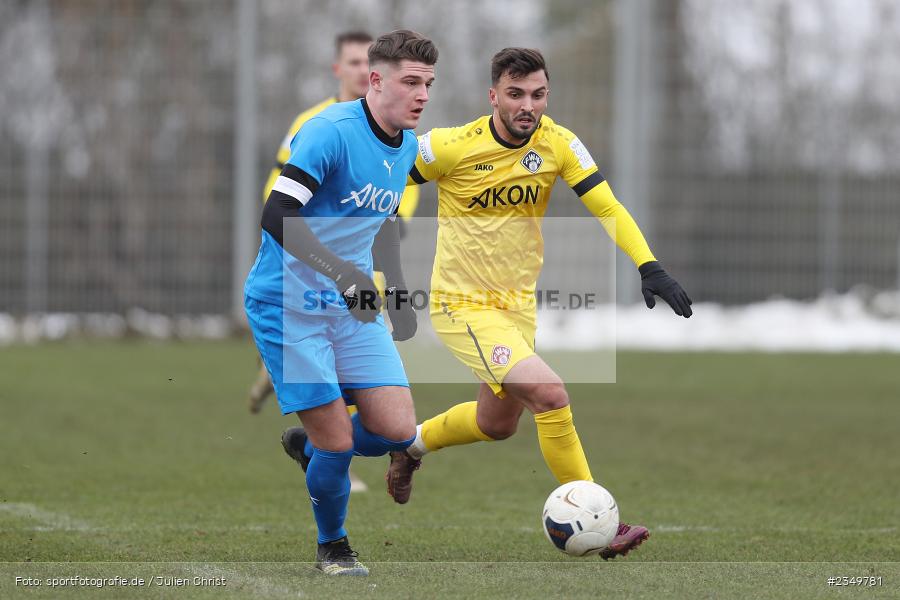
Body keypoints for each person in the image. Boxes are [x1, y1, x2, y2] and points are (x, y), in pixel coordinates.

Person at [386, 48, 692, 560]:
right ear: (493, 97)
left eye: (538, 94)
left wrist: (649, 265)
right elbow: (382, 183)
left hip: (517, 309)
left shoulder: (559, 144)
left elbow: (607, 205)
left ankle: (409, 446)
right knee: (550, 393)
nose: (528, 105)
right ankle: (602, 519)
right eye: (516, 94)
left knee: (496, 424)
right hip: (462, 305)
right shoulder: (449, 147)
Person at [243, 30, 437, 576]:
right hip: (287, 304)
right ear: (375, 80)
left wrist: (396, 292)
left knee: (399, 433)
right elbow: (277, 214)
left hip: (351, 307)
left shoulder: (404, 149)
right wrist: (342, 274)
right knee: (338, 442)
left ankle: (314, 448)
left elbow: (381, 230)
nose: (422, 95)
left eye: (428, 84)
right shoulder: (327, 132)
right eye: (410, 82)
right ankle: (334, 545)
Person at [249, 31, 422, 428]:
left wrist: (396, 288)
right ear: (339, 69)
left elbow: (389, 211)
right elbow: (279, 202)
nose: (363, 70)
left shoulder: (403, 139)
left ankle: (337, 435)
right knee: (336, 426)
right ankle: (327, 444)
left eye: (426, 83)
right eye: (356, 63)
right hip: (305, 275)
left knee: (391, 422)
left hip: (360, 271)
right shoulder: (315, 125)